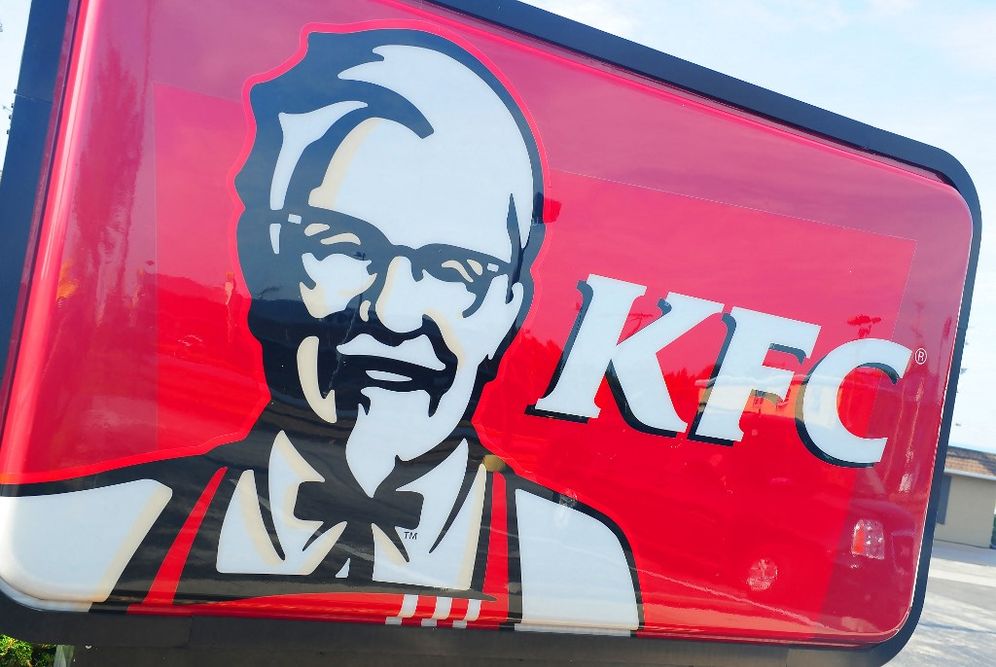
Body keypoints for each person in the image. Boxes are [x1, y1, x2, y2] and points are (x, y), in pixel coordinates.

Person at [0, 29, 640, 634]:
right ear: (263, 257)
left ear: (507, 307)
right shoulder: (87, 536)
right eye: (345, 246)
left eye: (454, 269)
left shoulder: (585, 569)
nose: (394, 315)